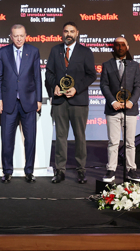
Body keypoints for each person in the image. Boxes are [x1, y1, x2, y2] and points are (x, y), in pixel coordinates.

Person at [45, 21, 96, 184]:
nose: (69, 34)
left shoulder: (85, 52)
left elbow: (91, 75)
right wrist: (55, 85)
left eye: (72, 31)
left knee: (80, 136)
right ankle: (60, 170)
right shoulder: (55, 50)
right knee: (60, 137)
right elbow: (49, 72)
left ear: (77, 33)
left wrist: (76, 89)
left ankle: (81, 170)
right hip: (60, 101)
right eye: (66, 31)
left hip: (78, 101)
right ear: (62, 33)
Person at [0, 24, 42, 183]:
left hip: (29, 101)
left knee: (30, 139)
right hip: (8, 102)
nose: (19, 39)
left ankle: (29, 171)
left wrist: (39, 99)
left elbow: (37, 77)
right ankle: (7, 171)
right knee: (7, 139)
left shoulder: (34, 51)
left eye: (21, 35)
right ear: (11, 36)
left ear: (26, 35)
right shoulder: (3, 52)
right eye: (16, 36)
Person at [100, 37, 140, 183]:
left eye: (122, 45)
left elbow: (138, 86)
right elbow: (104, 85)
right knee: (113, 142)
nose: (120, 47)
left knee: (130, 142)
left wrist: (131, 102)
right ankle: (111, 169)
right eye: (117, 45)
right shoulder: (107, 65)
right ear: (113, 47)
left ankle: (131, 169)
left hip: (130, 109)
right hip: (112, 109)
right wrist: (113, 101)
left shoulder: (134, 65)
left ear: (127, 47)